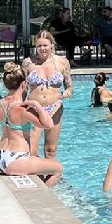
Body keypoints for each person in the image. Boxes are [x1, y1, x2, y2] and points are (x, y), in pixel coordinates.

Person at [0, 63, 64, 184]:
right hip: (16, 160)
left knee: (37, 161)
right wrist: (37, 105)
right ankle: (41, 198)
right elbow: (48, 124)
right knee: (57, 168)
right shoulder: (24, 108)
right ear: (24, 84)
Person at [22, 30, 73, 160]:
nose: (42, 49)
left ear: (52, 45)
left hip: (54, 108)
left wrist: (67, 92)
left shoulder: (62, 62)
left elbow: (69, 85)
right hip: (34, 109)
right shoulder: (28, 63)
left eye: (45, 45)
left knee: (51, 149)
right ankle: (35, 174)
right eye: (39, 46)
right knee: (31, 149)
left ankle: (49, 176)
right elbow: (22, 89)